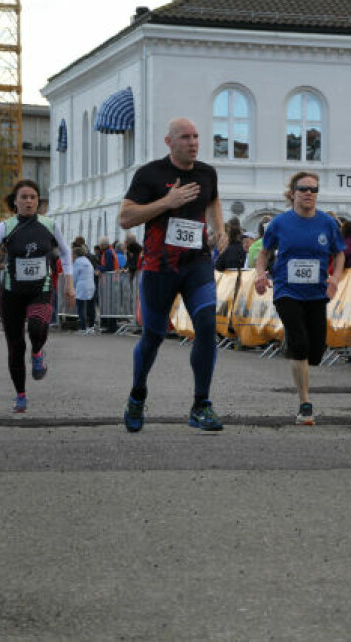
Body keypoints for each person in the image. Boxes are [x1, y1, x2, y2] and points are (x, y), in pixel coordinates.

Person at [117, 117, 225, 432]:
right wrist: (168, 201)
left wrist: (218, 228)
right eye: (185, 137)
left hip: (196, 263)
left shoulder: (207, 173)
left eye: (196, 136)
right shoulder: (150, 174)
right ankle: (137, 395)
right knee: (153, 337)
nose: (193, 142)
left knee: (207, 326)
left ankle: (201, 405)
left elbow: (213, 199)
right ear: (169, 142)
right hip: (158, 268)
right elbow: (125, 218)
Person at [0, 179, 75, 412]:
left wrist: (69, 284)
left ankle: (38, 352)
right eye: (24, 197)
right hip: (12, 293)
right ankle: (20, 394)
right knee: (15, 347)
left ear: (38, 201)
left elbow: (66, 254)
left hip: (41, 289)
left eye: (33, 197)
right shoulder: (4, 227)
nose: (29, 201)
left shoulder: (50, 225)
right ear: (15, 201)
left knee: (37, 328)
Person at [254, 172, 345, 425]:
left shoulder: (327, 223)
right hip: (286, 291)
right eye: (303, 188)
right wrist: (260, 275)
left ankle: (294, 346)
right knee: (301, 345)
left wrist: (335, 278)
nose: (309, 193)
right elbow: (263, 254)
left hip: (316, 292)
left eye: (314, 189)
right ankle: (305, 404)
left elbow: (339, 255)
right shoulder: (279, 224)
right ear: (292, 193)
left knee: (316, 351)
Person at [72, 245, 96, 334]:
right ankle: (91, 327)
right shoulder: (87, 261)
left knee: (81, 308)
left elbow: (74, 277)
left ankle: (83, 328)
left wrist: (73, 287)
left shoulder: (77, 262)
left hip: (81, 286)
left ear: (75, 255)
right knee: (91, 307)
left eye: (72, 254)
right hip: (91, 286)